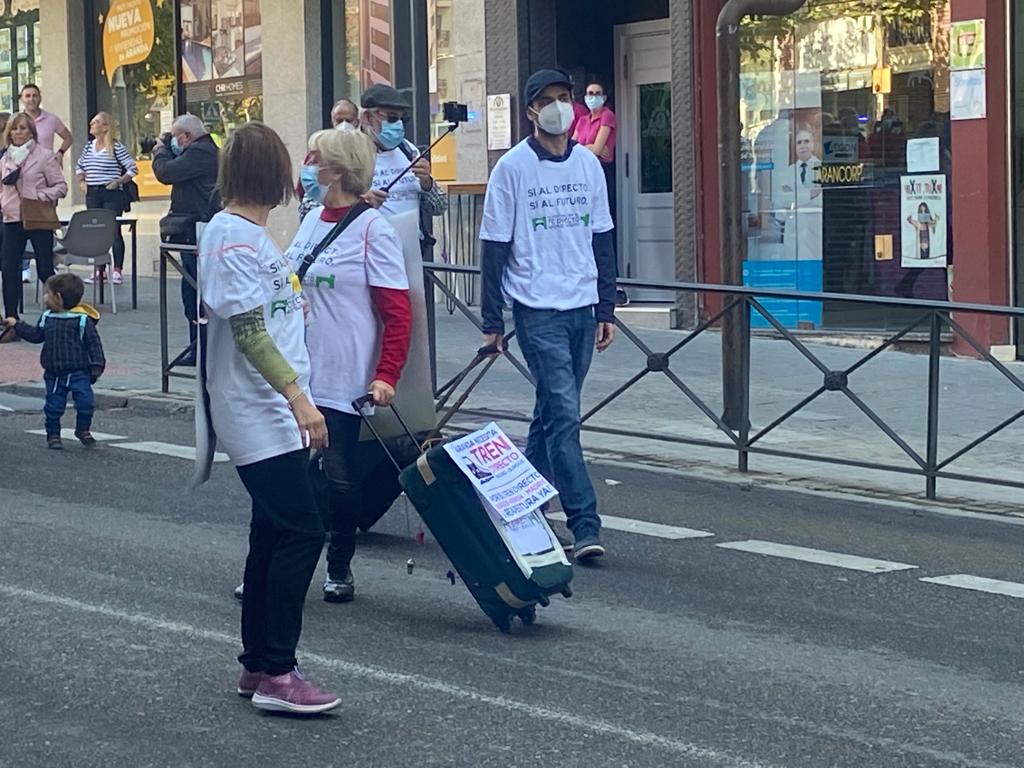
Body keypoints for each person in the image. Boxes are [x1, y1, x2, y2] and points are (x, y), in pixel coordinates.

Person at [197, 122, 340, 715]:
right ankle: (280, 671)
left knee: (273, 532)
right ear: (273, 175)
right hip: (260, 411)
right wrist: (300, 401)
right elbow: (251, 333)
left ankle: (258, 664)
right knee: (304, 531)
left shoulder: (249, 234)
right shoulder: (232, 237)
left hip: (273, 407)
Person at [479, 68, 616, 562]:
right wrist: (492, 320)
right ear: (531, 110)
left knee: (550, 418)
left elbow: (602, 237)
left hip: (581, 306)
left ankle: (515, 508)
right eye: (549, 99)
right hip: (537, 309)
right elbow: (493, 248)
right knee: (565, 415)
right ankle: (585, 523)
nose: (559, 106)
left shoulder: (588, 166)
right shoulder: (512, 168)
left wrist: (606, 306)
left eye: (566, 97)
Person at [287, 127, 411, 603]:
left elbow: (397, 313)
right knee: (289, 475)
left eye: (313, 158)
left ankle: (339, 565)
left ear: (338, 171)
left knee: (336, 477)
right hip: (297, 370)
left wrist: (386, 375)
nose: (306, 165)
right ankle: (282, 566)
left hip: (344, 374)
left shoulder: (372, 229)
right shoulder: (312, 217)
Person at [2, 273, 104, 449]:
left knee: (86, 402)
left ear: (58, 297)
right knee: (54, 406)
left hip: (79, 371)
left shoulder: (81, 320)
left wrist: (97, 365)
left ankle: (83, 429)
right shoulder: (47, 317)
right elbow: (36, 335)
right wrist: (16, 325)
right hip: (54, 373)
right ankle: (53, 434)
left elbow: (94, 344)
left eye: (47, 293)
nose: (44, 297)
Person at [152, 113, 220, 365]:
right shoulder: (202, 151)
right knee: (191, 292)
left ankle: (201, 350)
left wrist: (160, 149)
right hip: (192, 230)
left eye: (173, 137)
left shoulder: (201, 153)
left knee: (196, 291)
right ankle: (197, 348)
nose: (171, 142)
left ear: (187, 136)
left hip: (198, 231)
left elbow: (165, 172)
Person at [0, 112, 67, 323]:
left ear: (31, 131)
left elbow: (61, 187)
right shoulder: (5, 157)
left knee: (45, 268)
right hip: (12, 218)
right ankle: (11, 317)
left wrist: (39, 195)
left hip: (38, 216)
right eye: (14, 128)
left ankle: (58, 313)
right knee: (9, 267)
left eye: (22, 128)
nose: (18, 132)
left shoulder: (45, 155)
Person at [359, 84, 447, 226]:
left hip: (409, 245)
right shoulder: (347, 154)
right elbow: (316, 207)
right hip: (367, 244)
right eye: (392, 118)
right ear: (367, 117)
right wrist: (358, 202)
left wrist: (427, 183)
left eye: (403, 119)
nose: (398, 125)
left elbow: (439, 207)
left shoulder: (408, 150)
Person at [74, 112, 137, 285]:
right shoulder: (88, 147)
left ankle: (117, 269)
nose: (92, 124)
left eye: (97, 122)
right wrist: (81, 182)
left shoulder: (116, 147)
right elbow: (79, 165)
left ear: (106, 127)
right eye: (92, 121)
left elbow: (132, 168)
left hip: (111, 193)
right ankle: (99, 269)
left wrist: (118, 181)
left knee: (113, 230)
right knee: (95, 231)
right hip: (92, 193)